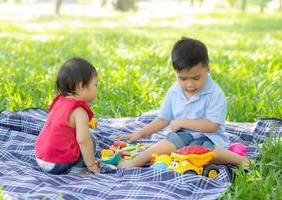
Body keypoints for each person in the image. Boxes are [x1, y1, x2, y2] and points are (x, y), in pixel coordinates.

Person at [116, 37, 249, 169]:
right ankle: (134, 163)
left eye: (196, 78)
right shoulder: (174, 91)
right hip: (183, 136)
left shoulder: (215, 93)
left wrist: (181, 122)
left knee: (205, 153)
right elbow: (163, 119)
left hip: (209, 138)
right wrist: (139, 133)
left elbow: (212, 126)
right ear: (175, 72)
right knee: (164, 145)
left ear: (207, 69)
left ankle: (238, 159)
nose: (190, 84)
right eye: (183, 78)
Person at [35, 57, 99, 174]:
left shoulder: (60, 101)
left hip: (41, 158)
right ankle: (78, 171)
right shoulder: (79, 110)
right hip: (56, 164)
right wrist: (91, 164)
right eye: (95, 85)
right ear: (81, 86)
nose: (97, 89)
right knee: (91, 141)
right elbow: (83, 140)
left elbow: (63, 125)